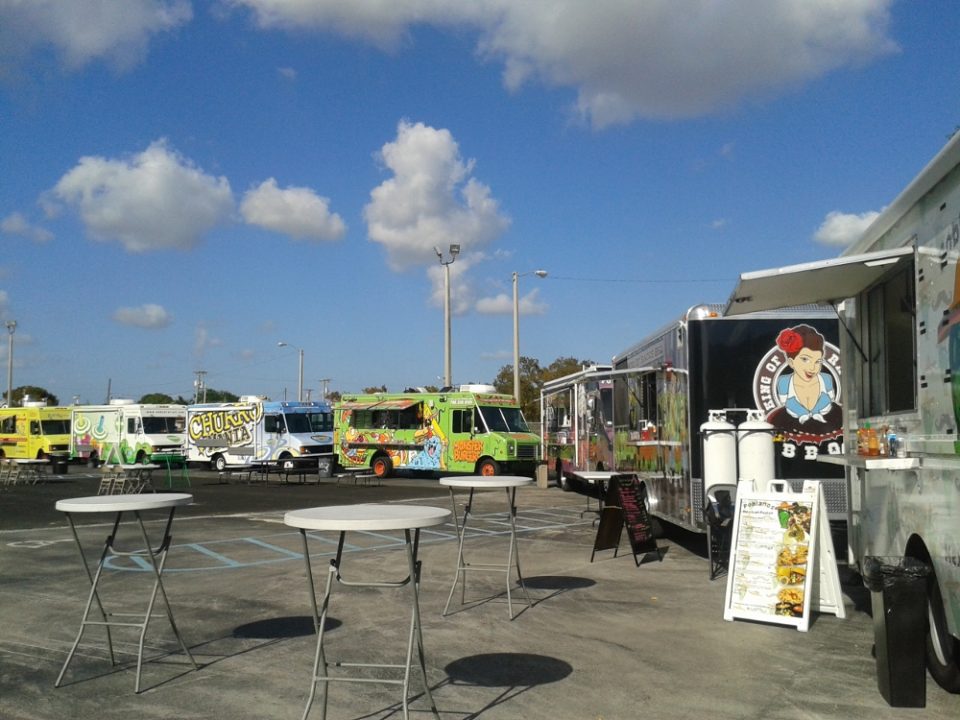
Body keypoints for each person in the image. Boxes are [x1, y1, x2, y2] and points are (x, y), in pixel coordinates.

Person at [767, 324, 842, 437]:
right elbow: (785, 404)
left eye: (818, 361)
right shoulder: (784, 383)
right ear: (791, 362)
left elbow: (831, 401)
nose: (812, 368)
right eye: (805, 359)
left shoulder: (826, 379)